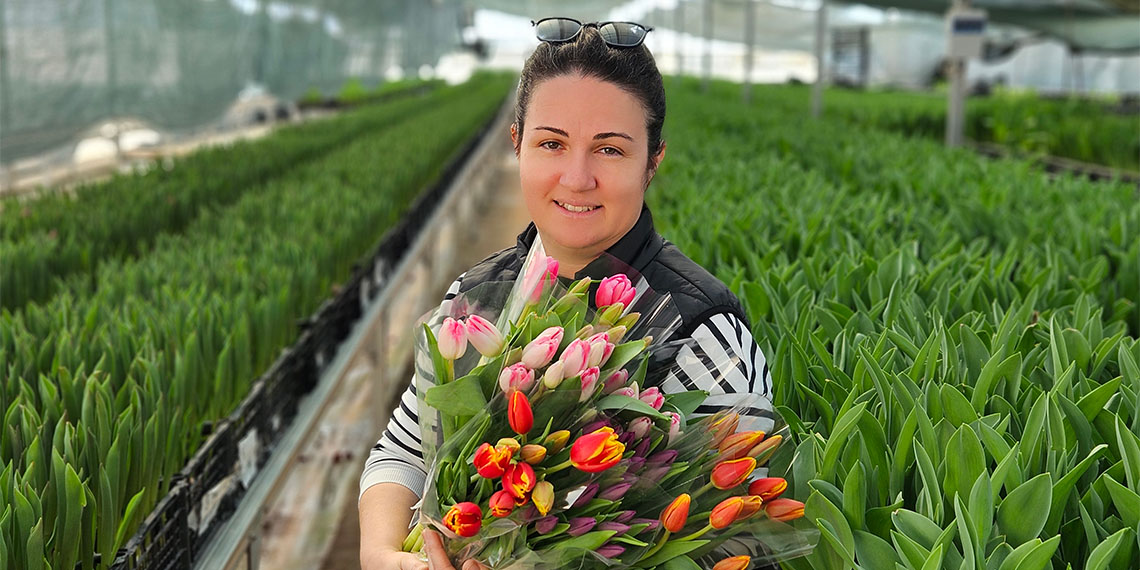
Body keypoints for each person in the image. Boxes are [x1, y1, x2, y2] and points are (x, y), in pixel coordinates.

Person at [359, 19, 776, 570]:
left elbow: (735, 543)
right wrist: (384, 554)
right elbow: (404, 452)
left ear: (653, 161)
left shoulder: (701, 331)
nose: (576, 178)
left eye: (609, 150)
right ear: (517, 145)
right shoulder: (477, 296)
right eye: (552, 143)